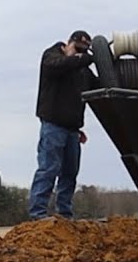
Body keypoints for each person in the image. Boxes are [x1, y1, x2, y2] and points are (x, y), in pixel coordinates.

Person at [28, 30, 97, 220]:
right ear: (68, 44)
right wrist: (84, 58)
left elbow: (96, 87)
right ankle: (38, 214)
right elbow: (59, 65)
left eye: (83, 51)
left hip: (72, 129)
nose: (78, 54)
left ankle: (64, 214)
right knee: (49, 168)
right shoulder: (52, 56)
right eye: (76, 49)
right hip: (53, 125)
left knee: (69, 172)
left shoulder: (82, 70)